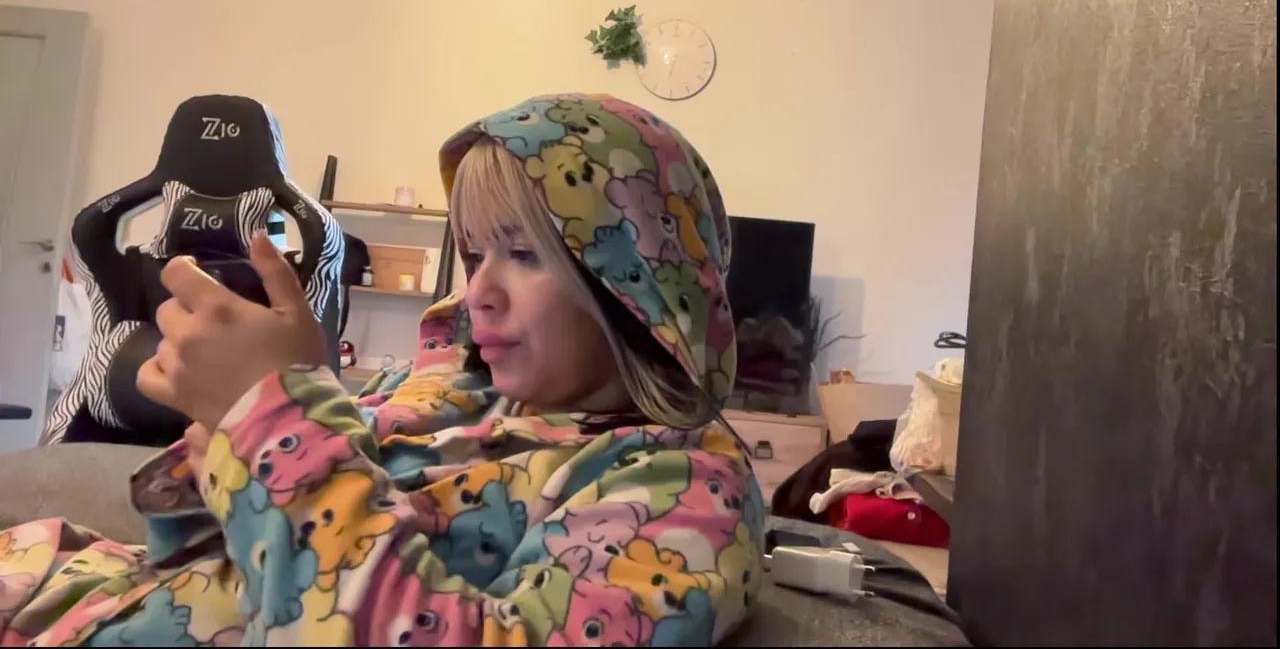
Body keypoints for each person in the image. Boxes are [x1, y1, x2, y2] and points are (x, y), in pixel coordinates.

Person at [0, 93, 765, 646]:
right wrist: (220, 444)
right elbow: (202, 544)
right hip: (73, 589)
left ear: (636, 282)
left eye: (524, 253)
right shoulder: (440, 389)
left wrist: (274, 425)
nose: (479, 290)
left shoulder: (682, 487)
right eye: (475, 254)